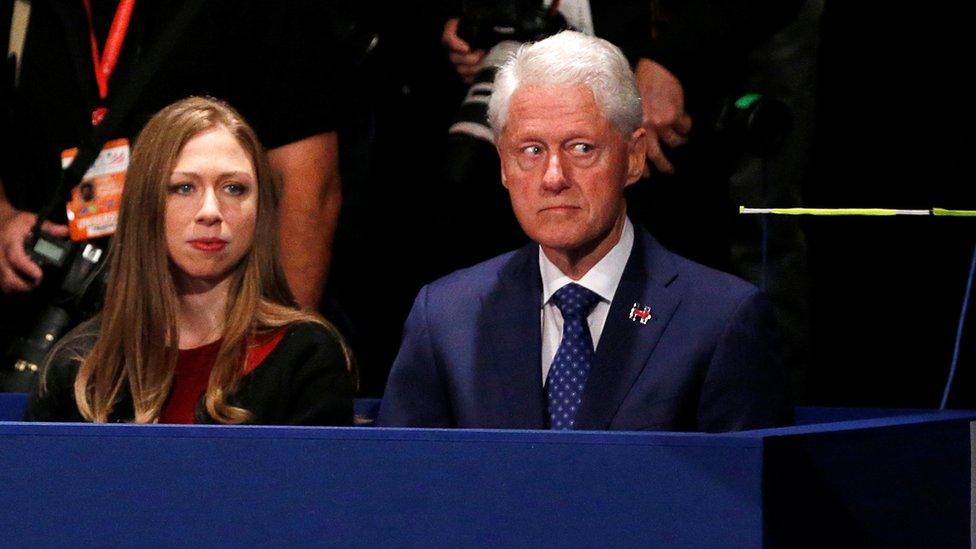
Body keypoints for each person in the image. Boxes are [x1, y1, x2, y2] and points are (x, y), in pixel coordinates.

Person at [378, 31, 790, 431]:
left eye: (581, 148)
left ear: (633, 157)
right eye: (531, 151)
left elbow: (748, 494)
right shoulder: (447, 318)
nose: (553, 177)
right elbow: (402, 486)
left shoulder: (721, 320)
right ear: (504, 165)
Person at [24, 97, 354, 425]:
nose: (211, 211)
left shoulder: (306, 357)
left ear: (260, 209)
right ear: (145, 207)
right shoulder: (80, 366)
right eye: (184, 188)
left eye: (234, 188)